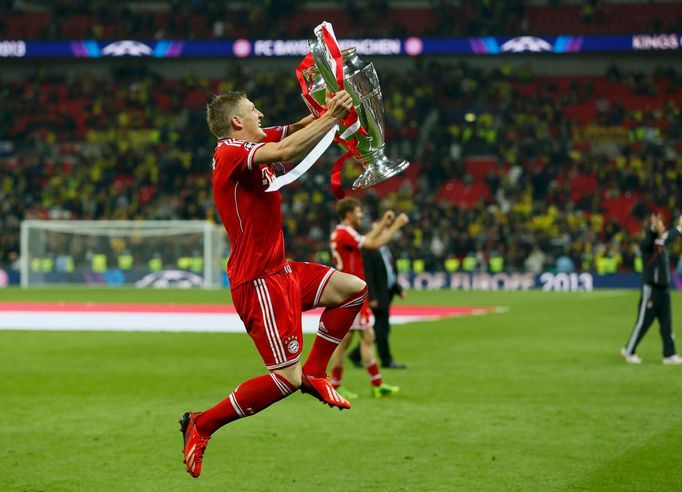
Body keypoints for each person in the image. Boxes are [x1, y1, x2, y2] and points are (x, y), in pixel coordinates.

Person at [179, 90, 368, 479]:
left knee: (353, 289)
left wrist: (330, 110)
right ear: (236, 122)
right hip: (258, 281)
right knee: (284, 379)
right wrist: (331, 118)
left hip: (281, 271)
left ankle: (317, 373)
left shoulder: (255, 140)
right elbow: (286, 151)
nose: (260, 113)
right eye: (253, 110)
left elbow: (296, 131)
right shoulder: (229, 152)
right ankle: (202, 424)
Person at [328, 198, 409, 399]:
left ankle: (371, 384)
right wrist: (396, 225)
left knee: (358, 338)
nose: (361, 215)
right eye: (358, 211)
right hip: (351, 293)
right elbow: (374, 243)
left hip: (349, 292)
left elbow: (365, 241)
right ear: (348, 214)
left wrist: (383, 223)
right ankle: (340, 385)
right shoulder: (345, 233)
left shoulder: (343, 233)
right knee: (354, 340)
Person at [621, 213, 682, 365]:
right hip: (651, 289)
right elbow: (655, 238)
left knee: (666, 323)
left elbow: (668, 237)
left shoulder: (660, 244)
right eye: (659, 224)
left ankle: (670, 354)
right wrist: (654, 228)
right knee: (643, 322)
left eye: (661, 223)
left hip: (663, 289)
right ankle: (628, 350)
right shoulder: (648, 244)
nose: (662, 225)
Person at [361, 241, 408, 369]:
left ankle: (357, 355)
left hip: (387, 293)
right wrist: (371, 296)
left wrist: (398, 289)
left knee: (379, 328)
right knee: (382, 328)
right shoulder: (369, 251)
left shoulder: (387, 250)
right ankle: (386, 359)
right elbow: (368, 275)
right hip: (378, 296)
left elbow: (390, 274)